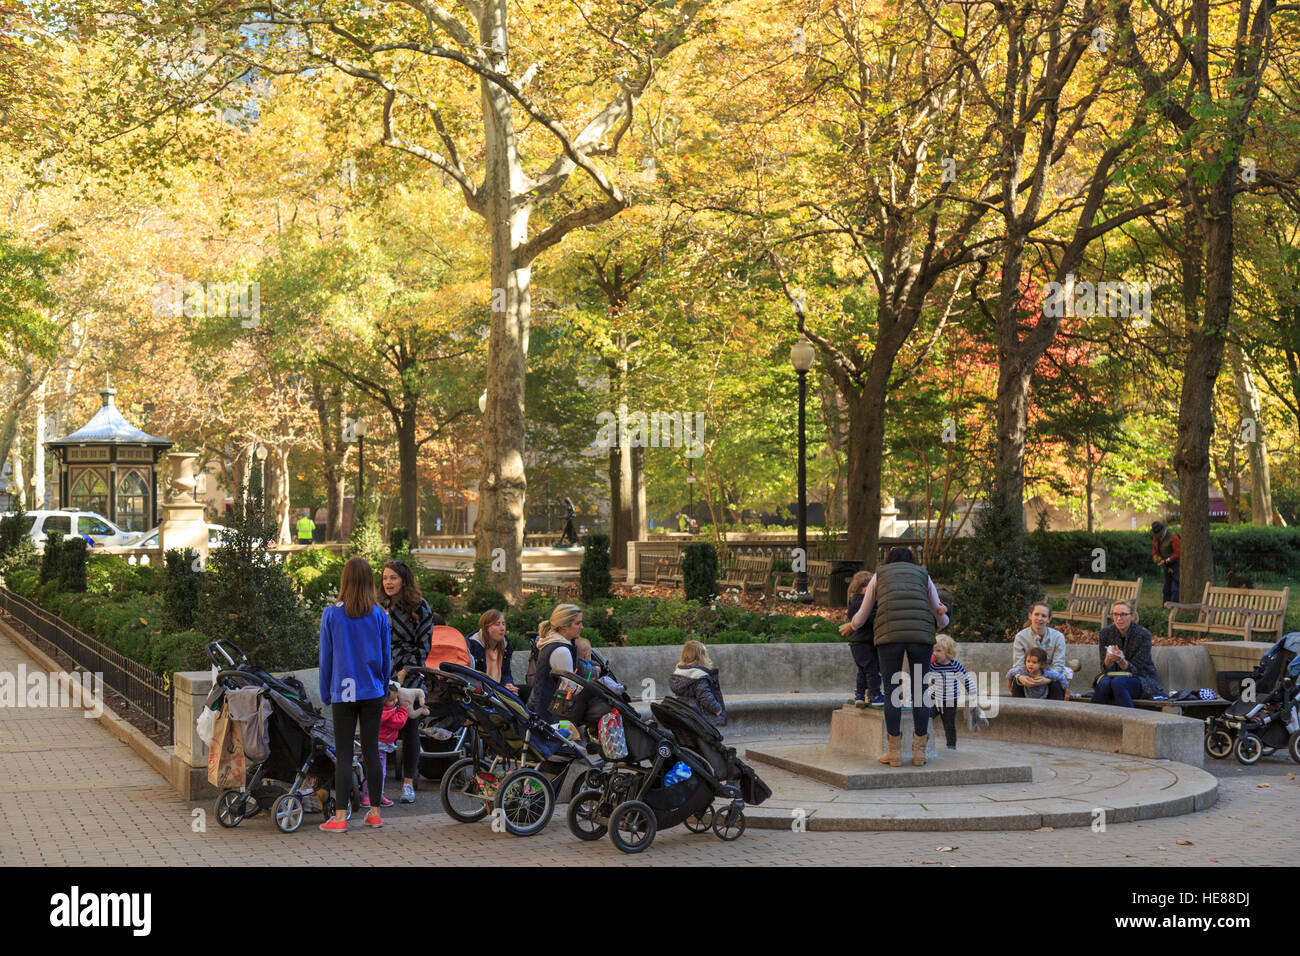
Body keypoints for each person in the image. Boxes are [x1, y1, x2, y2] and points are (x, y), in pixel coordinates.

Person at [839, 547, 949, 767]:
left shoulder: (880, 575)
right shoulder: (923, 575)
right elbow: (937, 609)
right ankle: (919, 753)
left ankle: (894, 753)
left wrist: (852, 625)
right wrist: (942, 623)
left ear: (888, 560)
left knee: (891, 692)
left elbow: (863, 610)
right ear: (912, 560)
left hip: (889, 637)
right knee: (921, 690)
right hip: (920, 637)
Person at [319, 556, 390, 831]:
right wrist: (383, 687)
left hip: (343, 692)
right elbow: (386, 657)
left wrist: (326, 690)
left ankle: (339, 817)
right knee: (372, 749)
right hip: (372, 689)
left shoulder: (332, 614)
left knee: (345, 753)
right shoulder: (378, 615)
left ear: (345, 580)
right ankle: (374, 812)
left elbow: (326, 657)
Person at [379, 559, 432, 804]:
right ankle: (374, 782)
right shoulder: (379, 606)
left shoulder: (420, 607)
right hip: (381, 670)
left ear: (404, 580)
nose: (388, 582)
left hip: (410, 671)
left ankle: (409, 783)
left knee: (410, 726)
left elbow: (424, 646)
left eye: (393, 578)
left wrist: (403, 672)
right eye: (385, 578)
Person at [1093, 600, 1165, 707]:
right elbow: (1104, 670)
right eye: (1115, 614)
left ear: (1132, 616)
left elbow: (1136, 671)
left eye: (1123, 614)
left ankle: (1130, 720)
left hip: (1141, 680)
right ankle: (1094, 720)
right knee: (1103, 682)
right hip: (1112, 679)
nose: (1119, 618)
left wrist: (1121, 661)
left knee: (1118, 682)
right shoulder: (1105, 633)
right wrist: (1108, 660)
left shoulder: (1143, 635)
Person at [528, 604, 583, 722]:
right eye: (577, 623)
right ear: (564, 626)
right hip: (548, 717)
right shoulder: (561, 651)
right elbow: (569, 691)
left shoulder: (551, 642)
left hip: (539, 709)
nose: (581, 627)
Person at [1009, 602, 1073, 699]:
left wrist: (1047, 679)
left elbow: (1058, 664)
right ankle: (1019, 713)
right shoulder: (1021, 637)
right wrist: (1022, 678)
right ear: (1030, 616)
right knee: (1017, 683)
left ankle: (1054, 712)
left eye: (1044, 616)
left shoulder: (1058, 637)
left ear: (1049, 619)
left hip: (1049, 676)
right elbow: (1018, 665)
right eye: (1036, 614)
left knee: (1056, 685)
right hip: (1028, 675)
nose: (1039, 619)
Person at [928, 636, 979, 750]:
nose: (935, 653)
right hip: (935, 700)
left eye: (938, 650)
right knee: (926, 717)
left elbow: (966, 679)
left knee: (949, 724)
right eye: (933, 650)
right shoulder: (932, 666)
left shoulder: (954, 665)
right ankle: (923, 742)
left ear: (948, 653)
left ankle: (951, 745)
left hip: (950, 700)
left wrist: (973, 693)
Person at [362, 683, 406, 808]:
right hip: (378, 745)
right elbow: (399, 722)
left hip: (382, 744)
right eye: (391, 700)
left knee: (380, 771)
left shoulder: (387, 709)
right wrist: (403, 709)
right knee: (379, 771)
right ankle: (367, 794)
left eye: (396, 698)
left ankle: (377, 794)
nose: (395, 702)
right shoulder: (384, 712)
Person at [845, 570, 883, 707]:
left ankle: (860, 695)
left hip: (855, 642)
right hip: (865, 641)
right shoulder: (866, 603)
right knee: (872, 669)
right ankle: (876, 695)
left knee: (863, 670)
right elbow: (873, 618)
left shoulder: (853, 601)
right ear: (863, 588)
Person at [669, 640, 726, 727]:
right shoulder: (699, 675)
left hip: (684, 713)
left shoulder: (677, 673)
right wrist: (717, 709)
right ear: (702, 657)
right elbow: (705, 696)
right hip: (699, 716)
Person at [467, 608, 518, 694]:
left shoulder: (505, 644)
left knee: (527, 691)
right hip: (483, 693)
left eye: (503, 624)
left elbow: (506, 673)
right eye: (497, 624)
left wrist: (508, 684)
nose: (502, 628)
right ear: (486, 628)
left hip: (500, 689)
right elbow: (474, 680)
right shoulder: (473, 646)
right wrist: (502, 689)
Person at [1005, 647, 1069, 701]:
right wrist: (1009, 686)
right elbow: (1010, 673)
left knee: (1056, 683)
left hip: (1045, 697)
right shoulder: (1023, 671)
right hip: (1027, 696)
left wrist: (1067, 692)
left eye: (1034, 662)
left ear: (1041, 664)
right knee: (1016, 680)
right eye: (1028, 661)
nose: (1030, 664)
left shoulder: (1046, 672)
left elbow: (1061, 677)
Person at [1151, 521, 1181, 604]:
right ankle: (1165, 606)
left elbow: (1178, 553)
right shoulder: (1156, 539)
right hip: (1166, 565)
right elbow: (1154, 551)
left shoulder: (1173, 537)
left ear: (1162, 531)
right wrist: (1156, 558)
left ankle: (1175, 607)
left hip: (1176, 564)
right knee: (1166, 587)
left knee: (1176, 587)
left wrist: (1166, 560)